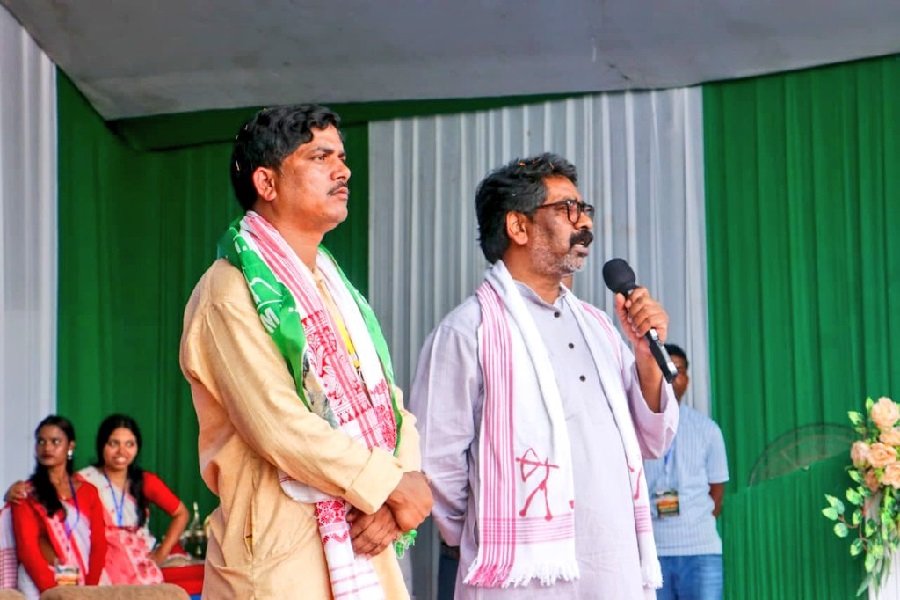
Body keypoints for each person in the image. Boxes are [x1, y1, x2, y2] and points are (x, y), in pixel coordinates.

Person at [179, 104, 432, 599]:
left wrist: (402, 485)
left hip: (364, 536)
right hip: (280, 558)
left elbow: (388, 402)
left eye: (342, 157)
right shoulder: (229, 290)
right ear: (267, 183)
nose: (343, 171)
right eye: (320, 157)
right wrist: (391, 486)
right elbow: (277, 424)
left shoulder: (333, 288)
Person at [410, 153, 679, 599]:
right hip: (519, 580)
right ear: (518, 227)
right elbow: (436, 465)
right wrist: (493, 532)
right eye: (567, 209)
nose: (584, 222)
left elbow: (653, 439)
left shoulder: (598, 327)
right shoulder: (467, 331)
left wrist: (644, 355)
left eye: (584, 208)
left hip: (612, 569)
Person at [5, 414, 190, 585]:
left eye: (129, 444)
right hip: (96, 565)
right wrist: (9, 493)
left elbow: (181, 513)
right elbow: (48, 518)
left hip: (139, 564)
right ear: (102, 445)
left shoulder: (146, 481)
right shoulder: (83, 482)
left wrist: (161, 553)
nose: (121, 451)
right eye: (113, 443)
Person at [644, 344, 729, 600]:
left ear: (687, 380)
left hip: (700, 551)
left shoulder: (708, 430)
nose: (670, 376)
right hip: (652, 552)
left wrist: (692, 521)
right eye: (662, 369)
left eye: (677, 370)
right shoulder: (636, 430)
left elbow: (717, 493)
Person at [9, 416, 107, 598]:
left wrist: (89, 590)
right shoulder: (25, 494)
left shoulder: (88, 492)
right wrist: (54, 593)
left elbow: (99, 545)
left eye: (55, 442)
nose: (47, 448)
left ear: (70, 446)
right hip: (38, 584)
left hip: (84, 581)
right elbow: (28, 550)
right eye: (41, 441)